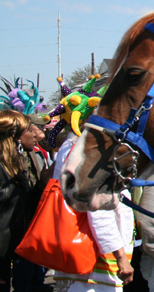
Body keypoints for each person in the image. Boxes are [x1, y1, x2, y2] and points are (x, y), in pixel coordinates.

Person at [51, 130, 135, 291]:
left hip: (72, 249)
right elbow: (99, 212)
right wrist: (120, 257)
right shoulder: (92, 153)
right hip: (96, 264)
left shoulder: (69, 147)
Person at [0, 110, 48, 292]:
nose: (36, 134)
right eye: (30, 129)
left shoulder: (13, 166)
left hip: (16, 248)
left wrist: (41, 185)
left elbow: (21, 204)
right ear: (16, 136)